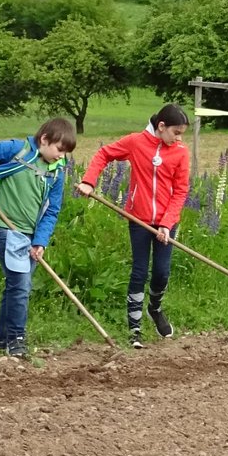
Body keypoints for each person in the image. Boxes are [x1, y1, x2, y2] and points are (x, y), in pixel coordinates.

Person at [0, 119, 77, 358]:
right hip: (5, 227)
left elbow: (52, 210)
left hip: (30, 235)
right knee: (21, 284)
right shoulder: (18, 149)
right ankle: (16, 340)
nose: (62, 156)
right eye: (59, 150)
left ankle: (3, 340)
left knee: (16, 285)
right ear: (44, 140)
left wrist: (40, 241)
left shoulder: (56, 173)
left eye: (66, 153)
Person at [78, 105, 191, 348]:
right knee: (139, 271)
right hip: (139, 219)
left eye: (182, 134)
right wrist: (89, 181)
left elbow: (181, 191)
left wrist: (166, 223)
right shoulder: (136, 142)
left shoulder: (181, 152)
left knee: (161, 272)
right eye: (176, 132)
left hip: (167, 222)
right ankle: (135, 329)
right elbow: (104, 154)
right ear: (161, 126)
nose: (179, 138)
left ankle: (155, 309)